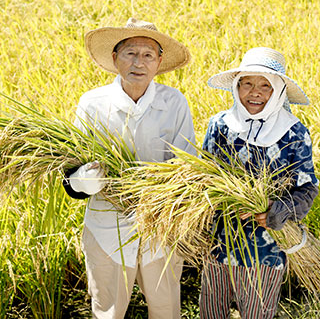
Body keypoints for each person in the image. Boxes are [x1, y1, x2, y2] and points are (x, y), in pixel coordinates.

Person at [63, 18, 196, 319]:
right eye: (130, 53)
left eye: (148, 54)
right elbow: (69, 177)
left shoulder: (174, 103)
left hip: (160, 229)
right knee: (108, 311)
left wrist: (159, 187)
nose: (139, 62)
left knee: (166, 311)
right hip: (106, 227)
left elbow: (187, 168)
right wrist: (86, 180)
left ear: (159, 61)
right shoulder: (92, 104)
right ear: (114, 58)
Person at [199, 47, 319, 319]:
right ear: (236, 87)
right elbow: (203, 173)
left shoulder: (293, 132)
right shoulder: (220, 125)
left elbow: (307, 186)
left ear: (278, 91)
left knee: (257, 313)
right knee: (210, 311)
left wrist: (280, 211)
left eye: (266, 85)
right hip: (220, 242)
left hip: (265, 248)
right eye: (247, 83)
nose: (255, 92)